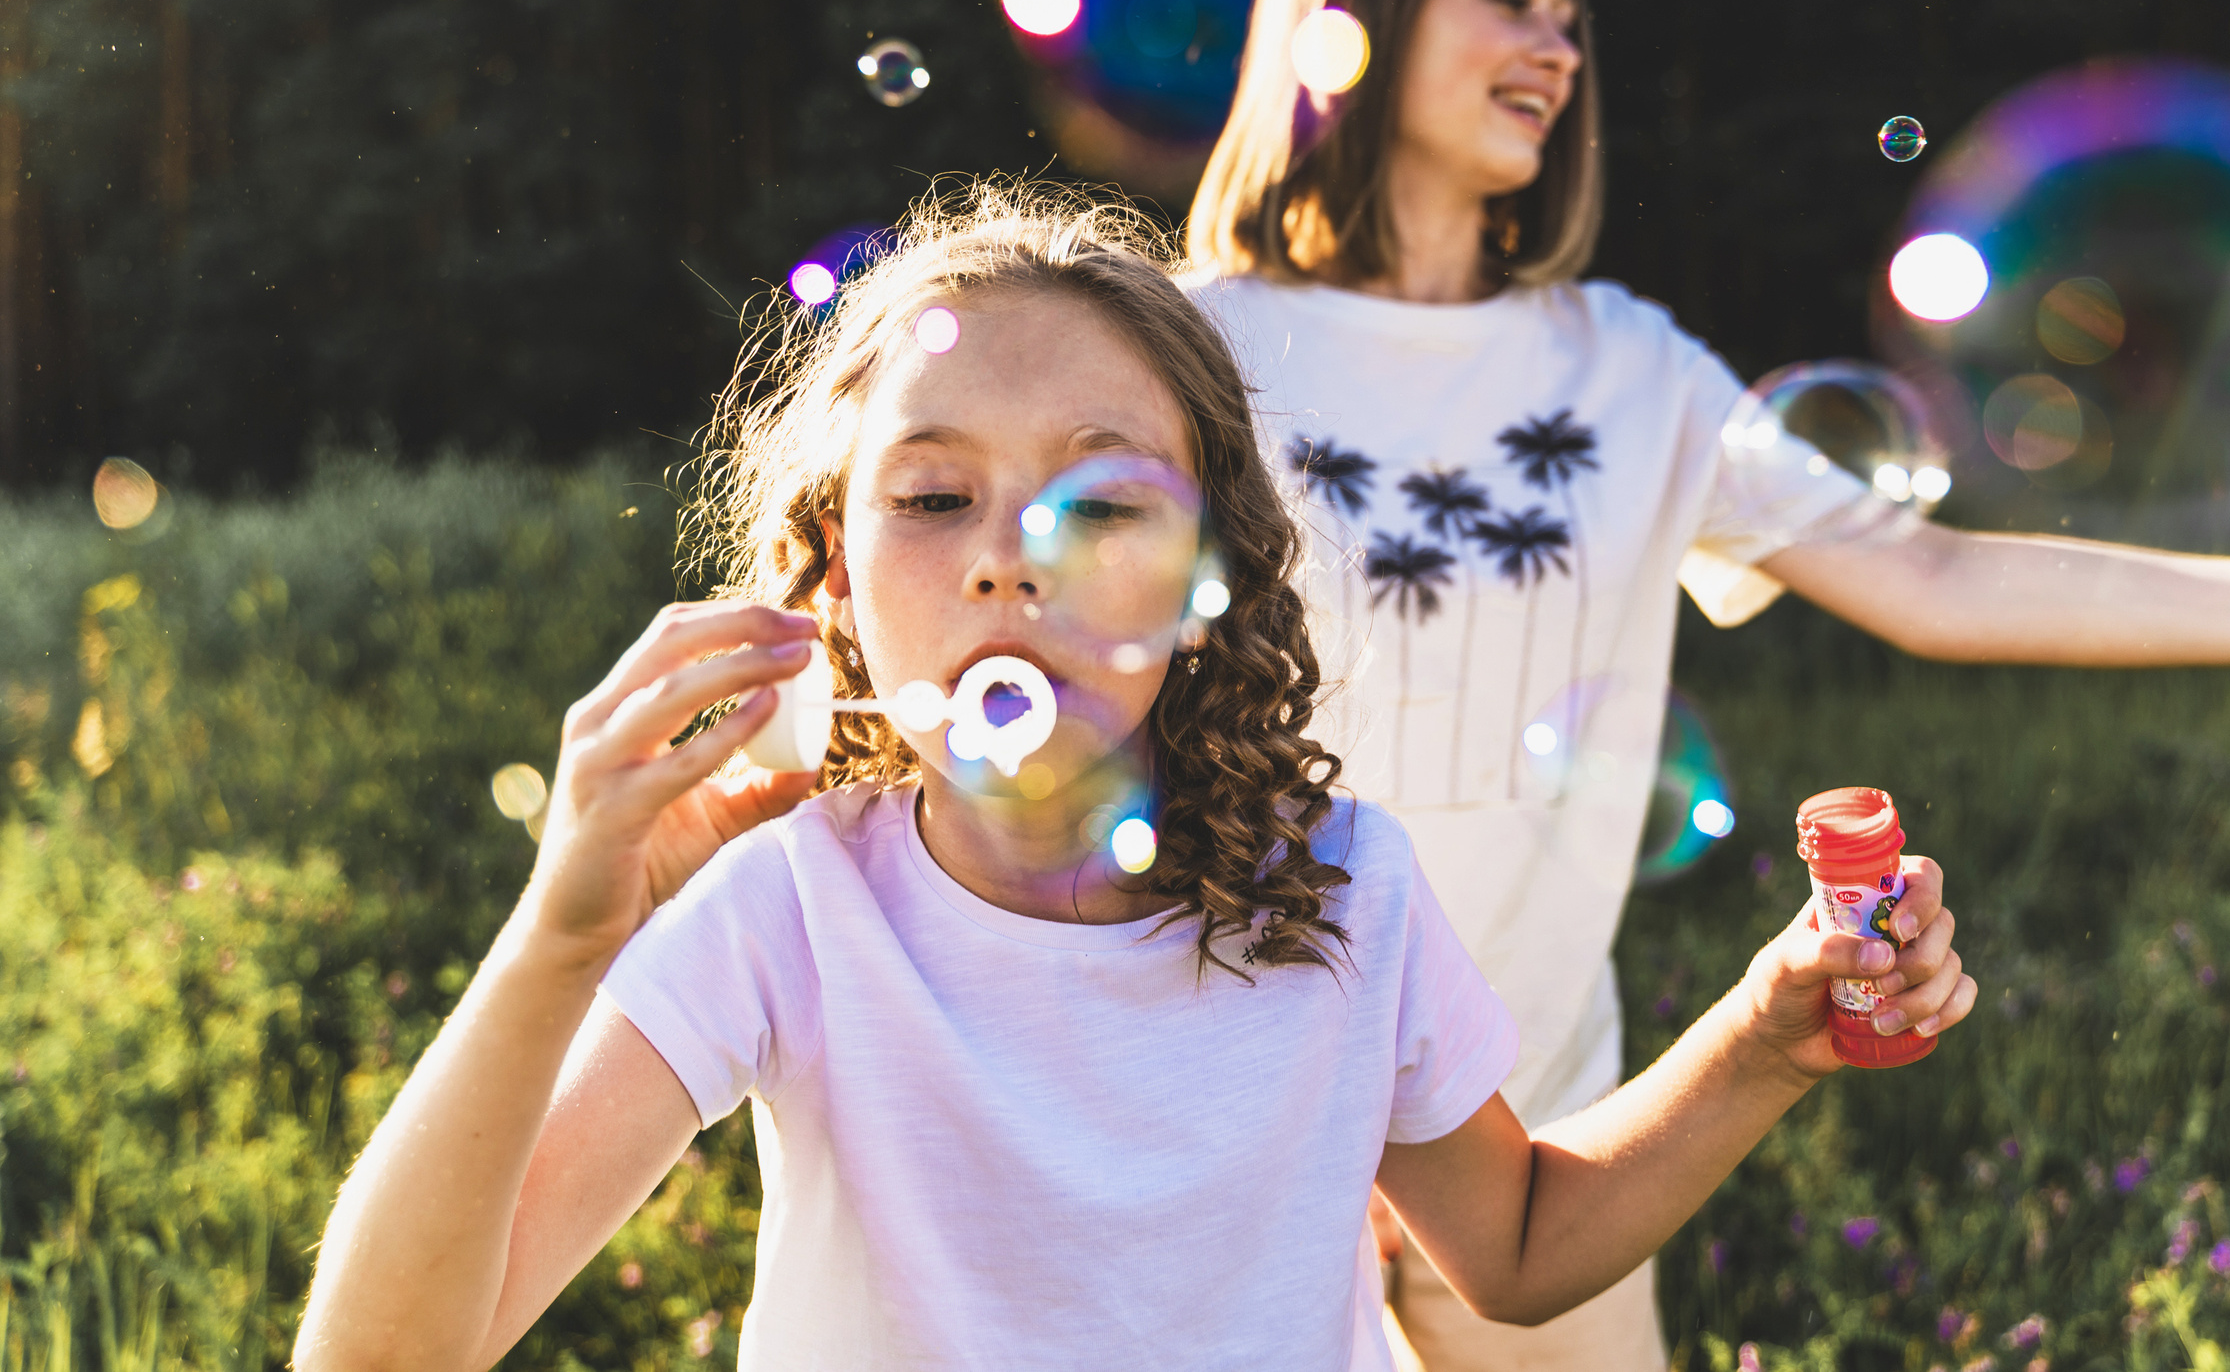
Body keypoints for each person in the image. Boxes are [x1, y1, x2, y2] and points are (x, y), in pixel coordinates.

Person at [1181, 0, 2230, 1370]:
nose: (1557, 49)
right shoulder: (1184, 349)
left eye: (1570, 16)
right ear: (1345, 22)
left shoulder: (1628, 368)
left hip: (1543, 1136)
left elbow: (1939, 577)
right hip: (1220, 1122)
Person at [287, 184, 1977, 1372]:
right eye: (934, 499)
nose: (1013, 562)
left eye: (1101, 505)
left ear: (1209, 573)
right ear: (829, 582)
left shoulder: (1340, 884)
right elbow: (383, 1353)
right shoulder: (790, 912)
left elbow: (1522, 1250)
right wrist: (561, 938)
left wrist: (1769, 1037)